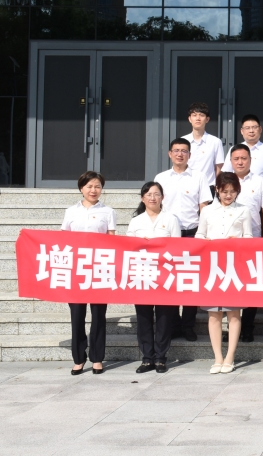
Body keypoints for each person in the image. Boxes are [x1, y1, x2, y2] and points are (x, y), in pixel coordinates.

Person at [154, 138, 212, 342]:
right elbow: (155, 205)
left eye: (184, 151)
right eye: (176, 151)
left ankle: (188, 325)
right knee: (169, 280)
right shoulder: (161, 178)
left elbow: (204, 206)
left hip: (191, 233)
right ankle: (173, 324)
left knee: (190, 281)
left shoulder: (199, 176)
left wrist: (203, 233)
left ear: (190, 155)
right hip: (167, 235)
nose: (180, 154)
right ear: (170, 154)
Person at [61, 171, 115, 375]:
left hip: (99, 268)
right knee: (77, 314)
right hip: (76, 269)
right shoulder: (70, 211)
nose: (94, 190)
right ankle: (78, 358)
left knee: (99, 314)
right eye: (90, 186)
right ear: (81, 188)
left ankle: (97, 358)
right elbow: (63, 240)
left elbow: (111, 240)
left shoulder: (108, 212)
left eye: (98, 186)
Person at [196, 172, 251, 374]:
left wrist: (238, 241)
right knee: (214, 314)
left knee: (233, 313)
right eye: (225, 191)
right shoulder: (207, 211)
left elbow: (249, 237)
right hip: (212, 266)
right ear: (217, 190)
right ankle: (218, 357)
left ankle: (230, 357)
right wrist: (205, 242)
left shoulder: (243, 210)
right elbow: (199, 234)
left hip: (233, 266)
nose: (229, 195)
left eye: (233, 191)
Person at [127, 181, 181, 374]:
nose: (152, 198)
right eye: (148, 194)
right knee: (143, 318)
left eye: (156, 194)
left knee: (164, 318)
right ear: (142, 198)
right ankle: (147, 358)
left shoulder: (171, 219)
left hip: (165, 275)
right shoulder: (136, 221)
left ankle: (160, 358)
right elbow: (128, 248)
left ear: (162, 198)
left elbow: (177, 247)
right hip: (142, 275)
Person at [227, 143, 263, 344]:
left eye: (244, 158)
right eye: (236, 159)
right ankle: (231, 327)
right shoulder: (225, 181)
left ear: (250, 160)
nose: (240, 162)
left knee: (250, 285)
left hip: (253, 240)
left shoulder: (260, 181)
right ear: (231, 161)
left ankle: (247, 327)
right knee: (231, 284)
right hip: (228, 243)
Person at [221, 114, 263, 191]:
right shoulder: (234, 149)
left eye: (254, 127)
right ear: (242, 131)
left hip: (259, 193)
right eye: (247, 128)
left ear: (260, 129)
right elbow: (226, 173)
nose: (251, 131)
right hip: (237, 192)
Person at [183, 102, 225, 188]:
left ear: (207, 119)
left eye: (201, 115)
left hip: (208, 186)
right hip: (186, 186)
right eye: (194, 115)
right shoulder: (183, 141)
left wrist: (217, 186)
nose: (198, 118)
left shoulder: (215, 141)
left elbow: (219, 167)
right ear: (190, 119)